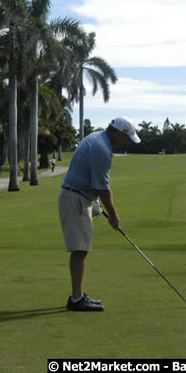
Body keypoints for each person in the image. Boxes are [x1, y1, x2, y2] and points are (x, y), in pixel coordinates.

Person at [58, 117, 140, 311]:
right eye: (127, 137)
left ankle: (78, 295)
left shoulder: (97, 138)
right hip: (75, 198)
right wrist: (113, 215)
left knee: (82, 248)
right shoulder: (102, 149)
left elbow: (88, 175)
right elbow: (103, 188)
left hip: (78, 196)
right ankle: (77, 300)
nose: (127, 142)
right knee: (80, 249)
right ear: (118, 133)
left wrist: (93, 201)